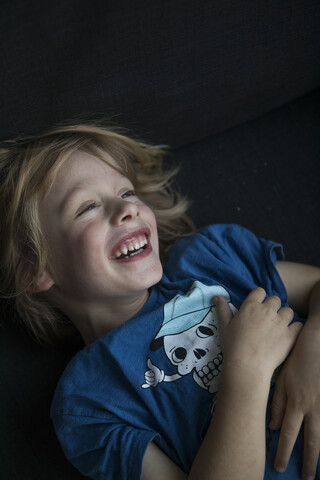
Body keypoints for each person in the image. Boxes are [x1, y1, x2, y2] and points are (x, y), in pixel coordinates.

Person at [0, 123, 319, 480]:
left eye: (127, 192)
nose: (127, 209)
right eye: (87, 206)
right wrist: (247, 371)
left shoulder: (211, 260)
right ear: (34, 268)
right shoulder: (89, 404)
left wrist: (312, 352)